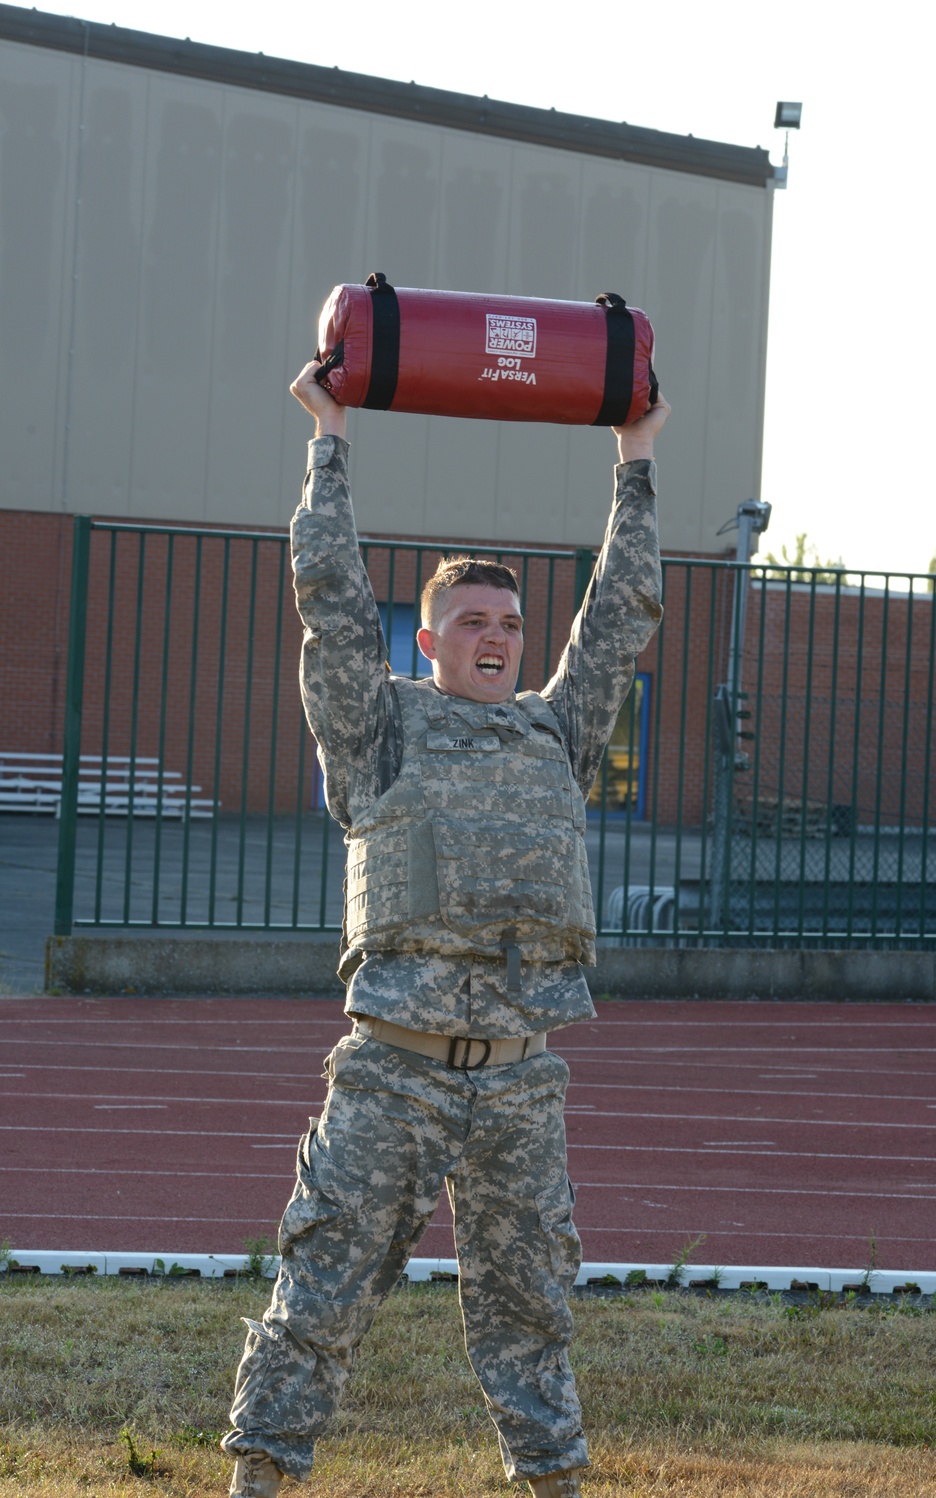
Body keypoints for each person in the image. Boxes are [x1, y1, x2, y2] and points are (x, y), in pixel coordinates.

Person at [221, 364, 669, 1498]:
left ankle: (553, 1482)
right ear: (426, 643)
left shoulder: (554, 735)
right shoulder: (379, 726)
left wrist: (637, 462)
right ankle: (260, 1476)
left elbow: (619, 616)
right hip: (393, 1076)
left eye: (511, 623)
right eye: (471, 620)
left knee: (533, 1307)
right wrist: (330, 438)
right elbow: (325, 597)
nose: (498, 636)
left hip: (521, 1081)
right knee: (322, 1284)